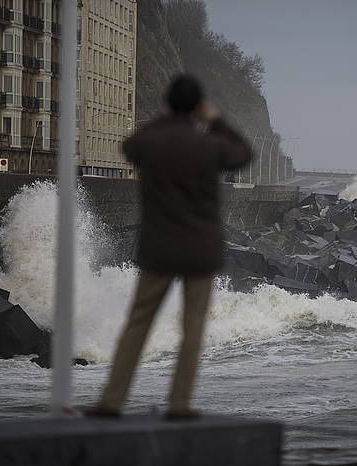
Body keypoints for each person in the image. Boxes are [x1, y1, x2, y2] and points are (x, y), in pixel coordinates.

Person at [87, 75, 252, 419]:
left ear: (168, 104)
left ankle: (112, 401)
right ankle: (179, 405)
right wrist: (215, 120)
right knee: (192, 329)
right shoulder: (209, 145)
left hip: (159, 248)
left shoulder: (153, 144)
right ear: (197, 107)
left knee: (138, 323)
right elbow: (244, 153)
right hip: (200, 250)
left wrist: (164, 117)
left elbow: (129, 146)